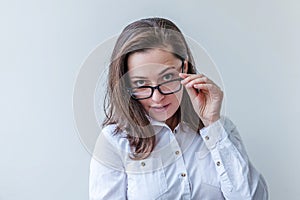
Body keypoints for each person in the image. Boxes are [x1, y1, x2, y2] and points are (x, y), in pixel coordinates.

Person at [89, 17, 268, 200]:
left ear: (185, 67)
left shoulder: (220, 130)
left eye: (167, 78)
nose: (157, 98)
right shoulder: (114, 141)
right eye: (141, 83)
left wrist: (212, 125)